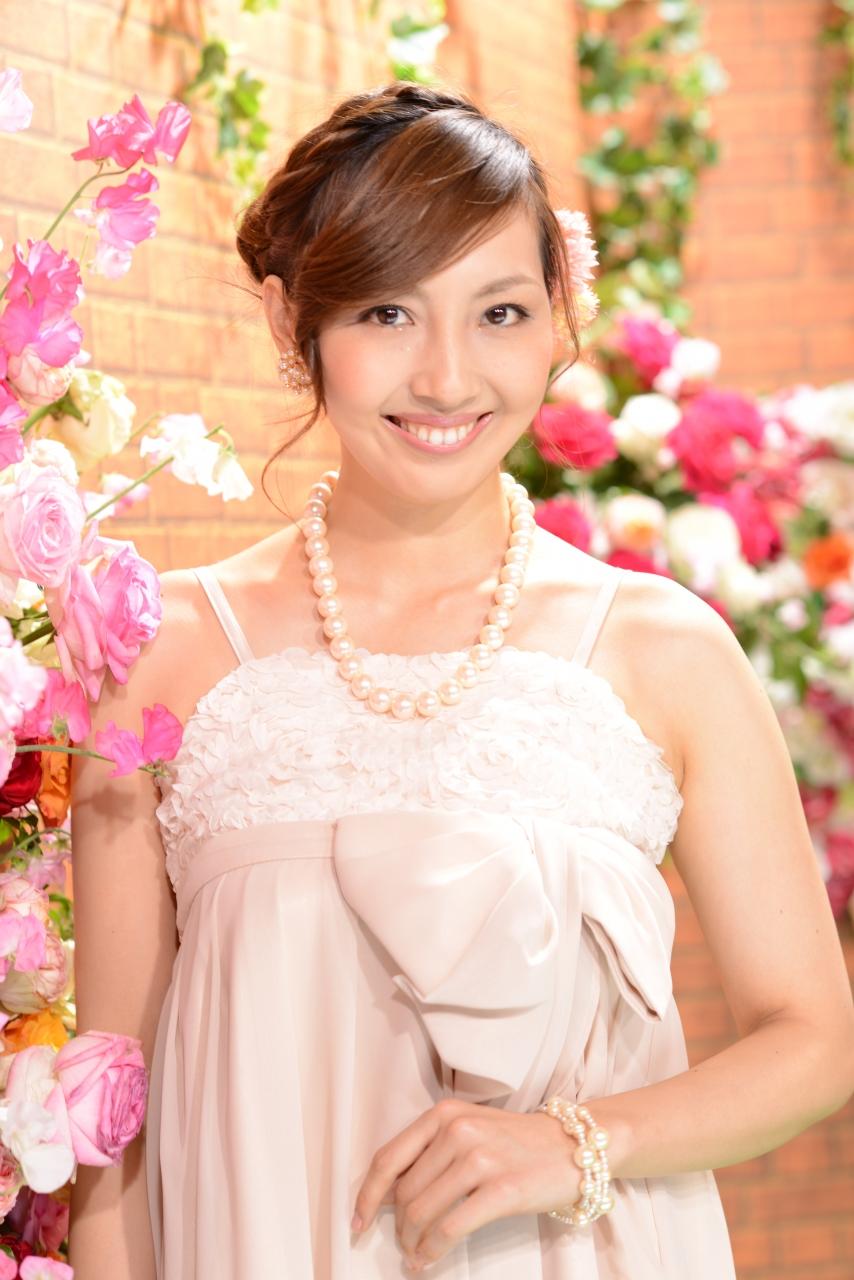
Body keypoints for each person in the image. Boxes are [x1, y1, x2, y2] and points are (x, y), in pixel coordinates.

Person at [67, 81, 854, 1279]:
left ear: (558, 319)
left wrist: (573, 1144)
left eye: (498, 312)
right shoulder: (165, 652)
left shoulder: (662, 649)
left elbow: (810, 1040)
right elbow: (109, 1133)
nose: (445, 376)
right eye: (386, 311)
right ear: (290, 321)